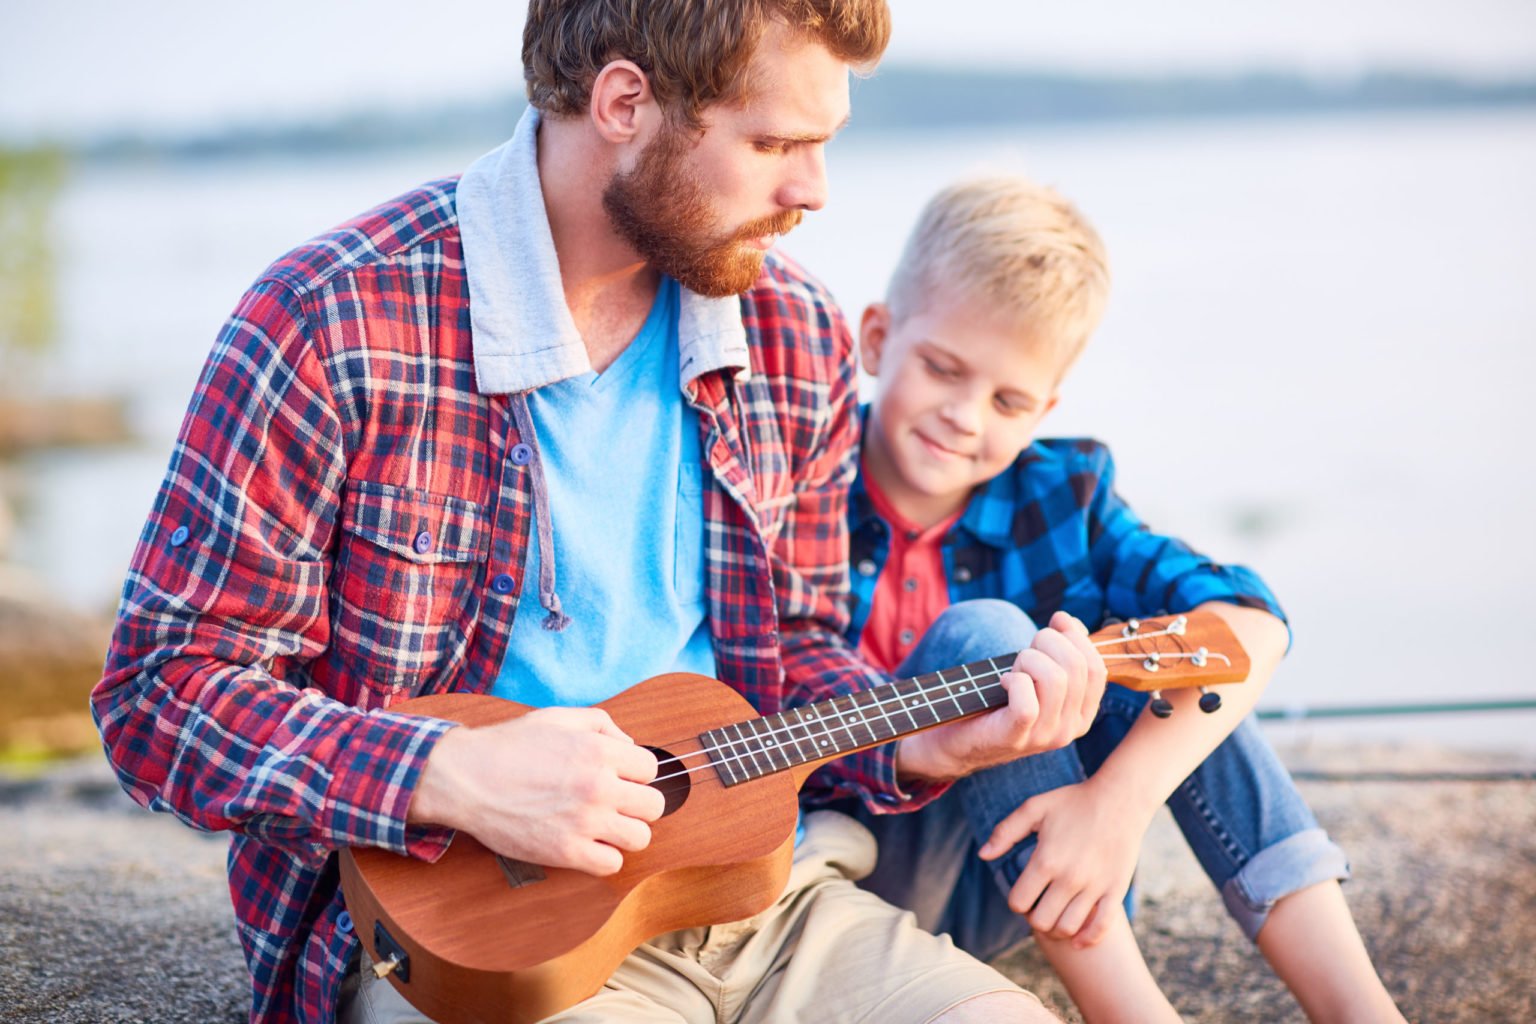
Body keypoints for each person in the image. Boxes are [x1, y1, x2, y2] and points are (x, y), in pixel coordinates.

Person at [90, 4, 1104, 1023]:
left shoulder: (794, 331)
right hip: (477, 943)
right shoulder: (331, 319)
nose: (813, 190)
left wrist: (913, 745)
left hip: (761, 903)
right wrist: (447, 772)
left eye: (821, 144)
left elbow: (792, 654)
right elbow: (158, 694)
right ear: (624, 102)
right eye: (772, 144)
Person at [832, 175, 1409, 1022]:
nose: (964, 415)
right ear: (877, 338)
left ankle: (1362, 1011)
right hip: (863, 881)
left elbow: (1252, 626)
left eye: (1007, 400)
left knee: (1177, 653)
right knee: (995, 637)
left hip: (1023, 882)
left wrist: (1116, 804)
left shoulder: (1062, 497)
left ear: (1046, 409)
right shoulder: (806, 476)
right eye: (942, 369)